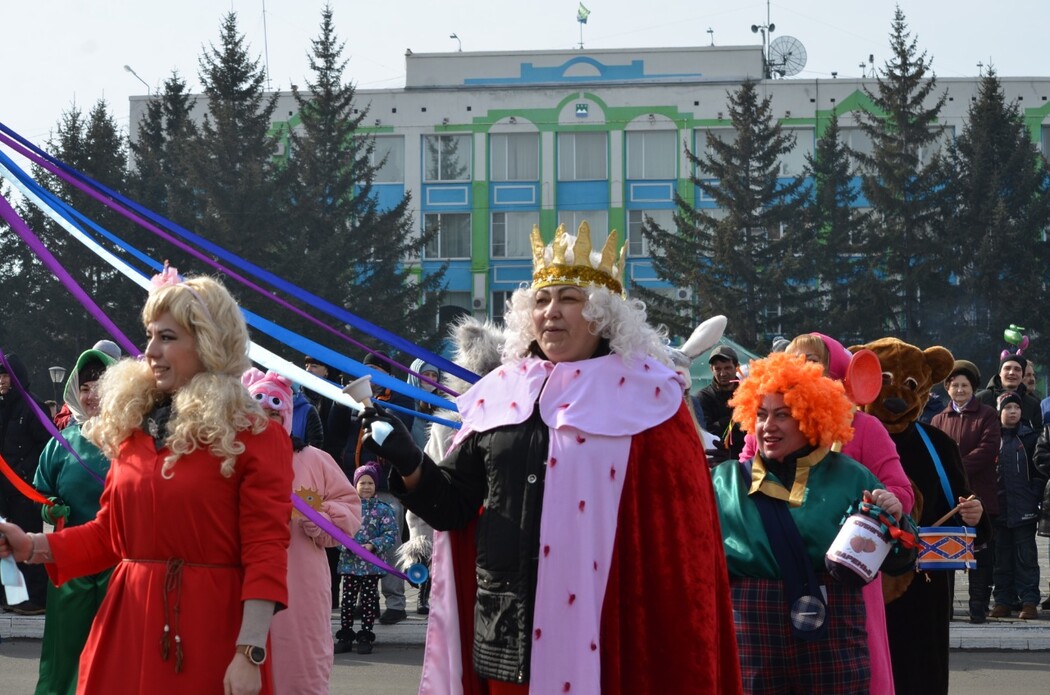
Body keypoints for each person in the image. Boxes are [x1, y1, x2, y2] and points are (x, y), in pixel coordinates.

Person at [359, 222, 742, 693]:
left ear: (602, 315)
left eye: (569, 299)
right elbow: (456, 508)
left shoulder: (651, 399)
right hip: (506, 635)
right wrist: (411, 464)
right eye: (541, 301)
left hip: (610, 637)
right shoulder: (499, 395)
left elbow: (682, 555)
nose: (552, 312)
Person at [0, 271, 294, 695]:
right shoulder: (134, 429)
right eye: (150, 336)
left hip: (210, 630)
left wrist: (249, 652)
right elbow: (110, 535)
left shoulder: (255, 435)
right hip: (127, 624)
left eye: (168, 337)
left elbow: (266, 551)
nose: (150, 351)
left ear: (209, 342)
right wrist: (30, 545)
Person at [712, 351, 903, 694]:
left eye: (782, 415)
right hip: (751, 630)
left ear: (809, 417)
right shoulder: (724, 482)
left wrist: (894, 517)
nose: (768, 427)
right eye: (761, 414)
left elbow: (902, 557)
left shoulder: (851, 476)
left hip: (834, 633)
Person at [242, 368, 361, 694]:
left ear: (288, 415)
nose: (267, 421)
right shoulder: (231, 461)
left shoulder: (315, 460)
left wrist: (322, 517)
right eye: (260, 413)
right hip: (244, 585)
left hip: (302, 587)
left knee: (302, 669)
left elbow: (351, 510)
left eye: (275, 413)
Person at [32, 347, 116, 695]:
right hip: (71, 568)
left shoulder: (133, 440)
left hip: (118, 565)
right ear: (74, 391)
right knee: (66, 648)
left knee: (114, 647)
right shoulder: (60, 444)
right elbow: (42, 495)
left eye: (100, 384)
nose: (91, 393)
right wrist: (51, 509)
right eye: (85, 386)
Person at [930, 359, 1000, 623]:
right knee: (944, 554)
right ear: (947, 389)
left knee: (980, 553)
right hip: (947, 498)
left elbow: (988, 449)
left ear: (973, 388)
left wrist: (955, 467)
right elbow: (933, 453)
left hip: (979, 494)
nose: (959, 390)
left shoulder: (987, 415)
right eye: (955, 385)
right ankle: (944, 608)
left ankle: (978, 606)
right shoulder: (938, 419)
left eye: (965, 385)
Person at [0, 352, 51, 615]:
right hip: (4, 493)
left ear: (17, 376)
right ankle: (13, 598)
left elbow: (48, 446)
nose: (2, 380)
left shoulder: (33, 406)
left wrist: (29, 476)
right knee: (4, 548)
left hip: (25, 491)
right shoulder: (3, 406)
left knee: (28, 546)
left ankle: (37, 600)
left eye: (6, 374)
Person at [989, 392, 1042, 620]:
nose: (1012, 412)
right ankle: (1002, 601)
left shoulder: (1030, 437)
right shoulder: (992, 438)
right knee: (1001, 559)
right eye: (1008, 408)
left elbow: (1040, 470)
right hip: (999, 509)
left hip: (1025, 508)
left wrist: (1034, 495)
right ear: (999, 411)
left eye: (1016, 408)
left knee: (1026, 558)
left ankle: (1029, 601)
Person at [334, 463, 396, 656]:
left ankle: (365, 636)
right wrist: (349, 546)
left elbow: (390, 534)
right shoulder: (346, 508)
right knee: (348, 601)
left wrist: (372, 545)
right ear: (355, 485)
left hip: (371, 567)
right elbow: (336, 532)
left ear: (376, 485)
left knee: (368, 602)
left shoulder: (384, 510)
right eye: (362, 483)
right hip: (350, 565)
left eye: (370, 483)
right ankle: (345, 636)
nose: (366, 487)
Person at [699, 344, 745, 462]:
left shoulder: (748, 393)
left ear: (737, 367)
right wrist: (730, 420)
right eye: (718, 369)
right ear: (711, 369)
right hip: (718, 463)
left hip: (750, 460)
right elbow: (706, 434)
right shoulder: (703, 397)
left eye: (727, 368)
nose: (723, 374)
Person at [976, 354, 1041, 428]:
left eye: (1017, 369)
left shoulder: (1033, 404)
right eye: (1007, 368)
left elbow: (1038, 434)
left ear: (1022, 375)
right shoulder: (981, 399)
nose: (1011, 372)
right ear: (1000, 373)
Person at [406, 358, 442, 448]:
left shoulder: (441, 404)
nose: (431, 379)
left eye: (434, 375)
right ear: (415, 377)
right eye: (426, 374)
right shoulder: (406, 404)